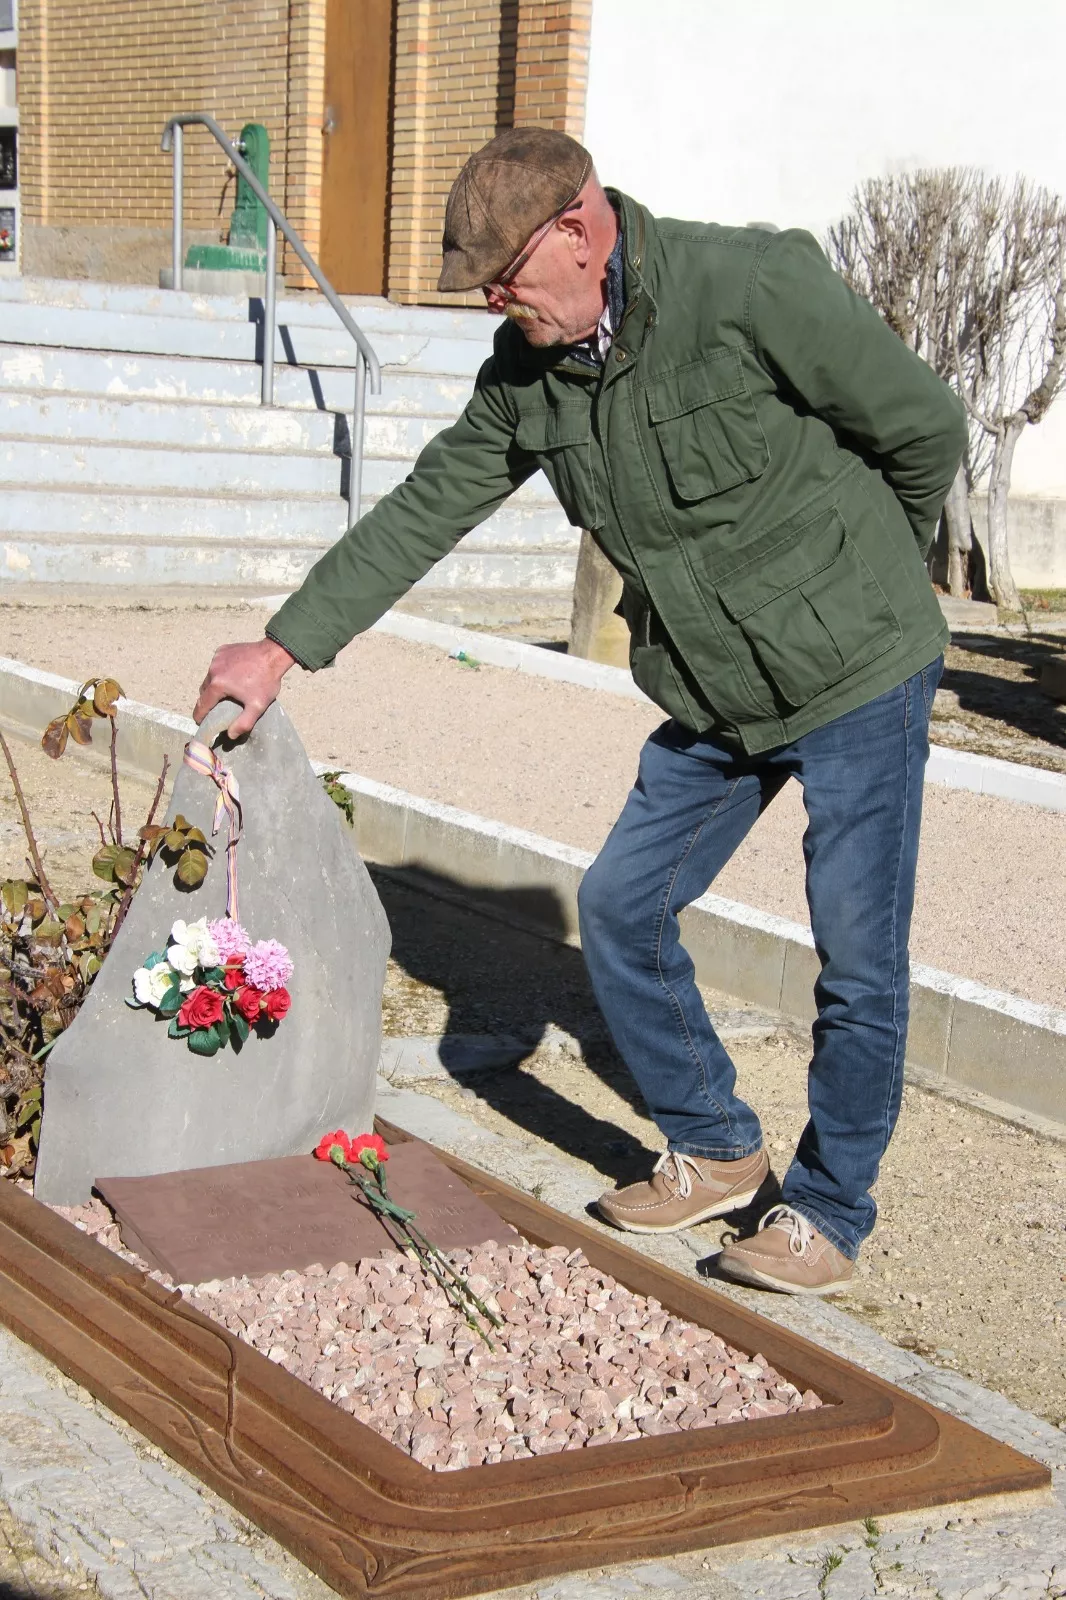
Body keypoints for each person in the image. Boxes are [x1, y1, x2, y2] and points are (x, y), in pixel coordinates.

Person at [195, 127, 966, 1296]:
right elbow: (423, 510)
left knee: (857, 959)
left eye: (506, 277)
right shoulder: (526, 374)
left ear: (578, 229)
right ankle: (715, 1145)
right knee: (618, 906)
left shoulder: (748, 287)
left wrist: (867, 576)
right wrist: (282, 645)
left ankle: (826, 1210)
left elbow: (924, 428)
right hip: (714, 685)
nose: (496, 304)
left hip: (858, 667)